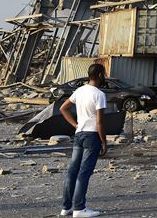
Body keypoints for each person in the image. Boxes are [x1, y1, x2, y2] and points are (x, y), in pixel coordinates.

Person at [58, 63, 108, 217]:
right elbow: (100, 122)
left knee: (72, 171)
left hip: (79, 134)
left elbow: (63, 108)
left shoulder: (79, 91)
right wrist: (104, 142)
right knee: (84, 173)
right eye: (103, 73)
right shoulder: (99, 94)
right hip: (92, 136)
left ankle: (66, 207)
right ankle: (79, 209)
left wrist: (75, 124)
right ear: (100, 75)